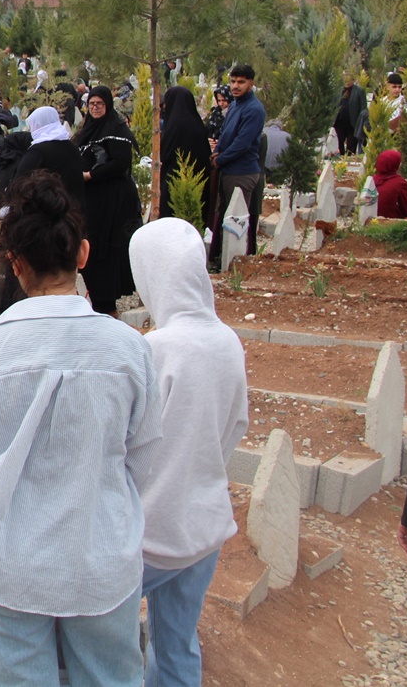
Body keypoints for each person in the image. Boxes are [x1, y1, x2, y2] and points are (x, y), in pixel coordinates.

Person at [0, 171, 162, 687]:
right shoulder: (128, 348)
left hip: (8, 561)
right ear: (82, 254)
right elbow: (145, 458)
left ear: (16, 266)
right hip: (100, 555)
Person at [130, 218, 248, 686]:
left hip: (151, 533)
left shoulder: (155, 348)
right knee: (177, 643)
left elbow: (127, 444)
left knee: (97, 641)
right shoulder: (228, 341)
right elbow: (234, 427)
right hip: (205, 525)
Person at [73, 86, 142, 315]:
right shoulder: (88, 128)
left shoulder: (116, 128)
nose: (95, 108)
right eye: (91, 104)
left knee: (108, 246)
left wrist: (91, 175)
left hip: (114, 198)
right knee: (93, 243)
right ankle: (96, 295)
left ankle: (107, 300)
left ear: (108, 105)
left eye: (99, 104)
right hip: (94, 197)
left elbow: (120, 162)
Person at [210, 64, 266, 267]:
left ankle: (239, 263)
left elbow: (243, 143)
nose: (235, 86)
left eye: (241, 82)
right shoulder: (234, 105)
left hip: (242, 171)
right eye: (233, 81)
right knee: (223, 214)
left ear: (251, 83)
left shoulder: (254, 109)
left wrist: (221, 159)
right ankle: (220, 259)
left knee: (236, 219)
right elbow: (226, 134)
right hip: (228, 169)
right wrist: (217, 151)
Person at [158, 86, 213, 222]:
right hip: (197, 181)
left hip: (175, 180)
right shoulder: (196, 123)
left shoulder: (174, 125)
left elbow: (165, 154)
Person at [15, 106, 85, 205]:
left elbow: (19, 181)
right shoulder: (72, 147)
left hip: (51, 208)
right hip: (75, 207)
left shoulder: (38, 151)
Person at [333, 70, 368, 155]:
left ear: (353, 80)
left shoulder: (359, 91)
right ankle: (340, 159)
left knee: (351, 146)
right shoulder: (337, 90)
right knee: (340, 142)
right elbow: (333, 104)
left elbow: (363, 108)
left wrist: (361, 122)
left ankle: (349, 159)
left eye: (350, 80)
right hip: (339, 122)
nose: (348, 82)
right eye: (346, 80)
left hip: (353, 123)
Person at [372, 149, 407, 219]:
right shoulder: (400, 183)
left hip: (370, 220)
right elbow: (406, 209)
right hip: (391, 222)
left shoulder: (372, 180)